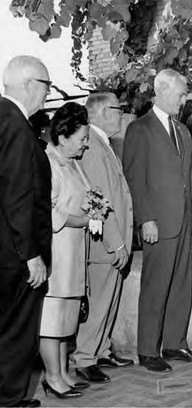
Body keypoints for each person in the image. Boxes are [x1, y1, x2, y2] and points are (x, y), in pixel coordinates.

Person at [123, 69, 192, 372]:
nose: (184, 101)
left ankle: (175, 344)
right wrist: (145, 219)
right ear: (162, 90)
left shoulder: (183, 131)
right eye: (181, 94)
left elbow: (191, 178)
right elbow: (135, 180)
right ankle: (148, 351)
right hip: (157, 222)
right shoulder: (139, 130)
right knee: (156, 285)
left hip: (184, 221)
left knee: (182, 284)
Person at [0, 55, 52, 408]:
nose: (47, 97)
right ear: (30, 84)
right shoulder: (16, 126)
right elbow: (17, 195)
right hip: (16, 253)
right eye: (46, 88)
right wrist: (31, 254)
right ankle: (10, 397)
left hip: (4, 248)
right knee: (16, 330)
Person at [74, 93, 134, 383]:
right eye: (117, 109)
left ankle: (102, 350)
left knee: (110, 301)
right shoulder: (94, 148)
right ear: (98, 113)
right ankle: (85, 358)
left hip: (113, 241)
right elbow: (100, 200)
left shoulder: (103, 144)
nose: (121, 114)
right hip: (104, 245)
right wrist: (117, 242)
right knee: (98, 303)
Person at [39, 102, 91, 400]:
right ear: (62, 137)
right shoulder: (49, 164)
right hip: (59, 251)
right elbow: (48, 209)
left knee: (66, 315)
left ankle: (62, 374)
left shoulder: (72, 163)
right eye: (82, 138)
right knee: (53, 317)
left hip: (74, 250)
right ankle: (52, 376)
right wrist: (80, 219)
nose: (85, 145)